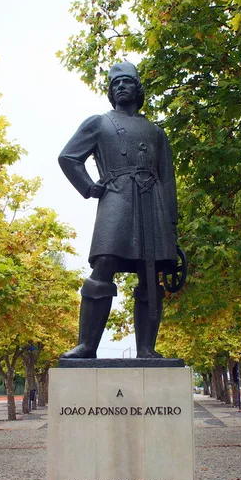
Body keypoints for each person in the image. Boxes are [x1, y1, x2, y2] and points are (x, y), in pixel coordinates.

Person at [58, 62, 178, 359]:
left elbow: (167, 177)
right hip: (117, 198)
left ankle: (146, 349)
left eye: (126, 82)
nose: (120, 87)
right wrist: (89, 187)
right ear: (110, 92)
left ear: (138, 89)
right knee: (104, 264)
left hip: (153, 204)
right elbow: (68, 157)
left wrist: (171, 224)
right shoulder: (98, 123)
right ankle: (87, 346)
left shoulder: (156, 131)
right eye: (115, 84)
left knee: (150, 276)